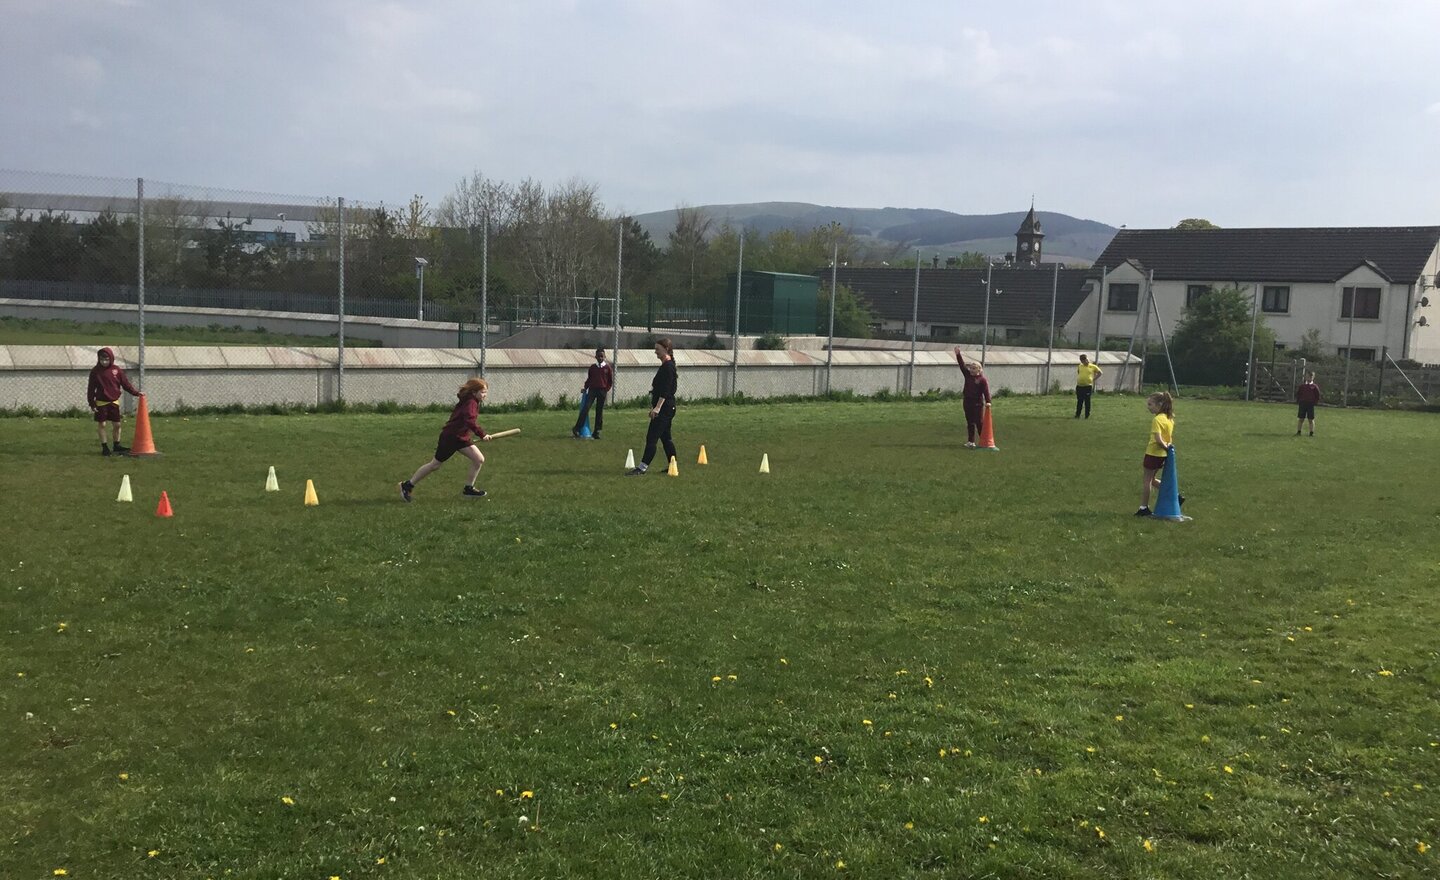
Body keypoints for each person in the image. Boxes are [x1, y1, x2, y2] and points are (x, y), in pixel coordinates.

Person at [399, 378, 492, 502]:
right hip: (451, 437)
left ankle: (468, 489)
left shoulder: (473, 401)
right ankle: (407, 485)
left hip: (461, 438)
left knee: (478, 459)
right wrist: (482, 435)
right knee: (435, 465)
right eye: (482, 392)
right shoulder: (471, 403)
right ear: (474, 392)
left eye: (486, 392)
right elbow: (469, 420)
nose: (485, 395)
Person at [625, 338, 678, 475]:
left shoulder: (668, 367)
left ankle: (642, 468)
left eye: (657, 349)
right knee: (666, 438)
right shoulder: (667, 365)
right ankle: (673, 465)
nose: (655, 352)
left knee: (652, 437)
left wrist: (657, 408)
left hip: (665, 409)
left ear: (666, 349)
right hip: (667, 408)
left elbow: (665, 391)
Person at [86, 347, 143, 456]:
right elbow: (91, 389)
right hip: (101, 403)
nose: (104, 362)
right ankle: (105, 447)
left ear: (111, 358)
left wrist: (136, 393)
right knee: (102, 424)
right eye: (102, 359)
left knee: (117, 425)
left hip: (113, 402)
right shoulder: (95, 371)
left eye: (106, 359)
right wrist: (92, 403)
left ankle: (117, 445)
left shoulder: (117, 370)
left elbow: (126, 384)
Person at [1136, 391, 1178, 517]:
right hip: (1161, 456)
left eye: (1150, 404)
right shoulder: (1169, 419)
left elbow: (1159, 440)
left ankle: (1144, 508)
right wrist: (1167, 450)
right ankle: (1175, 495)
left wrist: (1165, 447)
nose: (1148, 407)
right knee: (1153, 480)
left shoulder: (1157, 419)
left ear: (1159, 405)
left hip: (1153, 453)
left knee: (1147, 481)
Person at [952, 346, 991, 448]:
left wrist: (988, 401)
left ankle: (984, 441)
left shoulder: (982, 380)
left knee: (979, 422)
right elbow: (962, 365)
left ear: (979, 369)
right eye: (971, 368)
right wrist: (958, 354)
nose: (971, 370)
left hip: (977, 404)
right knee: (970, 422)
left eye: (974, 368)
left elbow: (986, 391)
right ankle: (971, 441)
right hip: (967, 402)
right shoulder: (968, 375)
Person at [573, 347, 614, 440]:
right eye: (598, 356)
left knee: (599, 411)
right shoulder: (592, 368)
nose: (600, 358)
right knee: (586, 408)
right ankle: (577, 428)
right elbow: (589, 379)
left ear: (604, 357)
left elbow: (610, 381)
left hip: (602, 391)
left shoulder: (607, 368)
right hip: (592, 390)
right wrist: (585, 388)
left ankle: (597, 431)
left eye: (602, 356)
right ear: (595, 357)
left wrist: (606, 389)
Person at [1074, 354, 1103, 419]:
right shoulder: (1080, 366)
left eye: (1085, 360)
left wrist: (1093, 379)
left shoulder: (1093, 366)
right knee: (1079, 401)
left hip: (1087, 386)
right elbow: (1079, 372)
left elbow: (1100, 373)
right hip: (1079, 386)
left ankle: (1087, 415)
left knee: (1087, 401)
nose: (1085, 361)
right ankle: (1077, 414)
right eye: (1083, 360)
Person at [1295, 371, 1320, 436]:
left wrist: (1314, 402)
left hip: (1310, 404)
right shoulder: (1302, 386)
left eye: (1311, 376)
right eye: (1308, 376)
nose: (1309, 378)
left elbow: (1317, 395)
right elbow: (1298, 394)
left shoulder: (1314, 387)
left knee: (1310, 419)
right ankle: (1299, 431)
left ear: (1313, 377)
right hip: (1302, 404)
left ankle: (1311, 432)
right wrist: (1299, 401)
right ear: (1306, 377)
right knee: (1301, 418)